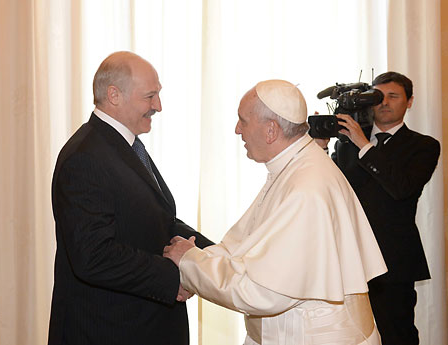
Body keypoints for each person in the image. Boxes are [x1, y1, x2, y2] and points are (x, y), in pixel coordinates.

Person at [163, 79, 388, 345]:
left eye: (242, 120)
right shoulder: (294, 167)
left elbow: (261, 292)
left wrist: (190, 263)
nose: (237, 130)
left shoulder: (307, 186)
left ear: (270, 130)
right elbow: (243, 245)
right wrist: (196, 258)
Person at [48, 51, 214, 345]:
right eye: (150, 96)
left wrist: (215, 257)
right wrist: (171, 278)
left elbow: (156, 220)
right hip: (108, 331)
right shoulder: (84, 156)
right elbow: (93, 255)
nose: (158, 106)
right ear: (114, 95)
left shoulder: (121, 145)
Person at [316, 71, 440, 345]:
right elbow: (330, 190)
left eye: (393, 96)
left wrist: (364, 142)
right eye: (377, 96)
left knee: (397, 334)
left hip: (394, 262)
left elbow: (401, 188)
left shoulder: (424, 146)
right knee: (350, 335)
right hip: (349, 258)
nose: (383, 102)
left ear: (409, 101)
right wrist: (321, 149)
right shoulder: (346, 145)